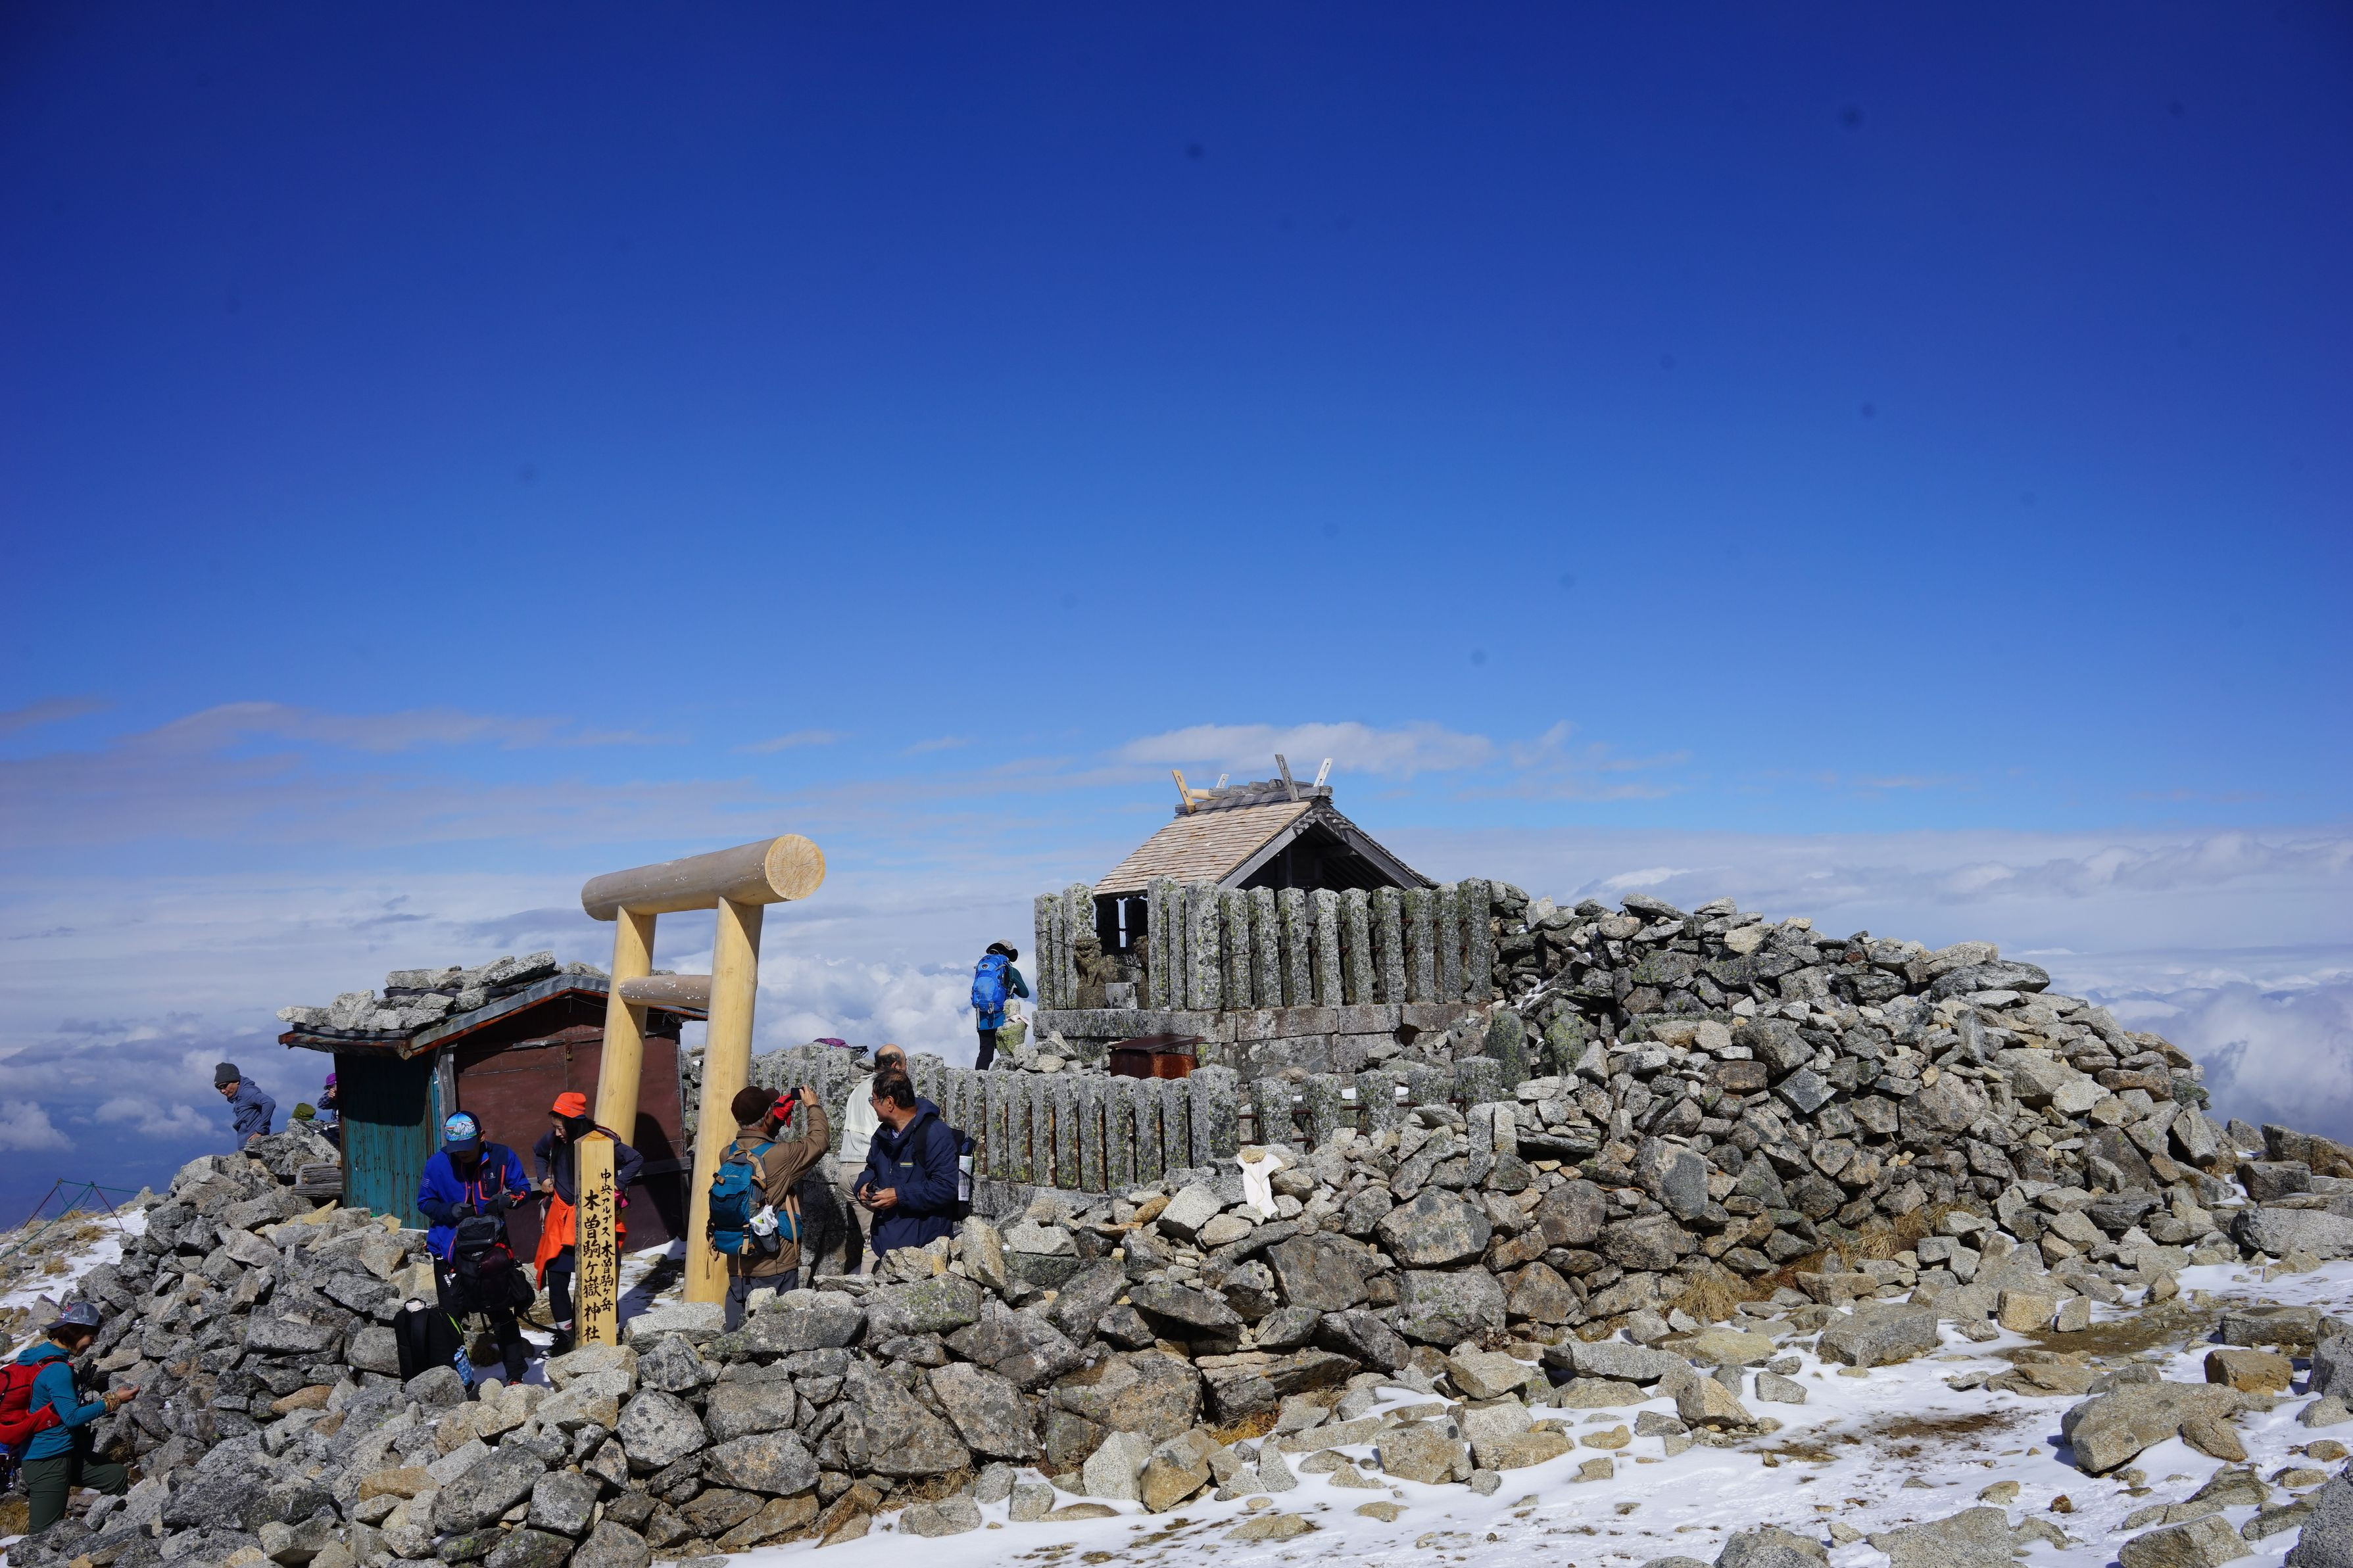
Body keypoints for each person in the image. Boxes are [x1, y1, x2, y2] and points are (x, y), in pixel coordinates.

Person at [414, 1111, 533, 1383]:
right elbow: (424, 1202)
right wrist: (450, 1210)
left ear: (481, 1137)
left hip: (492, 1249)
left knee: (500, 1310)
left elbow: (523, 1189)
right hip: (449, 1248)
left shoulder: (502, 1156)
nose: (462, 1154)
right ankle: (461, 1381)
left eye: (467, 1147)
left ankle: (516, 1377)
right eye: (456, 1149)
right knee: (451, 1316)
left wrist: (509, 1200)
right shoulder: (437, 1163)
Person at [531, 1091, 644, 1356]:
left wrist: (617, 1184)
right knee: (557, 1279)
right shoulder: (554, 1139)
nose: (557, 1133)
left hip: (595, 1220)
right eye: (554, 1127)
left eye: (561, 1128)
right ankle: (566, 1337)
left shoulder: (601, 1139)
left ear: (574, 1123)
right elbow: (538, 1153)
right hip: (562, 1219)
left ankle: (607, 1336)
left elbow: (635, 1159)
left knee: (599, 1279)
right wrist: (543, 1179)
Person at [13, 1303, 135, 1534]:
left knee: (114, 1475)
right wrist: (113, 1401)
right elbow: (70, 1417)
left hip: (61, 1452)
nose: (93, 1342)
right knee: (43, 1536)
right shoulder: (57, 1369)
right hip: (47, 1461)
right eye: (91, 1335)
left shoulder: (36, 1356)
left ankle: (114, 1534)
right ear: (75, 1331)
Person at [716, 1083, 830, 1331]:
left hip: (738, 1263)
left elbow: (760, 1148)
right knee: (778, 1334)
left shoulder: (727, 1154)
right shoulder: (783, 1155)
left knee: (737, 1334)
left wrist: (773, 1122)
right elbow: (819, 1141)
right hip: (776, 1263)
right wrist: (813, 1106)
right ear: (767, 1115)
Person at [854, 1074, 960, 1258]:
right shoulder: (882, 1134)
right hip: (884, 1245)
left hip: (922, 1251)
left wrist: (898, 1195)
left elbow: (945, 1187)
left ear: (889, 1102)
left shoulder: (935, 1133)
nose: (872, 1105)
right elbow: (871, 1168)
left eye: (874, 1100)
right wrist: (863, 1186)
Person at [828, 1043, 908, 1276]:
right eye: (905, 1065)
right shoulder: (883, 1091)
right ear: (896, 1066)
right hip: (866, 1169)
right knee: (876, 1238)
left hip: (847, 1169)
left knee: (871, 1235)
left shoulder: (860, 1088)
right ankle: (866, 1291)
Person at [971, 942, 1030, 1070]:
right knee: (1008, 1052)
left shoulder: (982, 968)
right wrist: (1013, 990)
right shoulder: (1011, 971)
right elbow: (1025, 993)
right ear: (1008, 954)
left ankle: (978, 1079)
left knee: (985, 1053)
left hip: (983, 1017)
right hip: (1001, 1018)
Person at [213, 1062, 276, 1148]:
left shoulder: (247, 1093)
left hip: (255, 1147)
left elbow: (269, 1102)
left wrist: (261, 1131)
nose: (223, 1091)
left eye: (224, 1086)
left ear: (236, 1081)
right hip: (248, 1147)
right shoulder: (239, 1096)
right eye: (219, 1088)